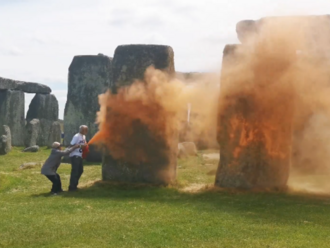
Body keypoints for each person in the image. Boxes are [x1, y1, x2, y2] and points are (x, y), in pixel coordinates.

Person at [68, 125, 88, 191]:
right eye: (85, 130)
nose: (87, 131)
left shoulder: (84, 136)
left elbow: (83, 145)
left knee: (80, 170)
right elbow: (71, 145)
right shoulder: (76, 136)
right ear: (81, 130)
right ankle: (72, 187)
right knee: (75, 171)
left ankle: (74, 185)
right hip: (74, 155)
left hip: (79, 155)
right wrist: (80, 146)